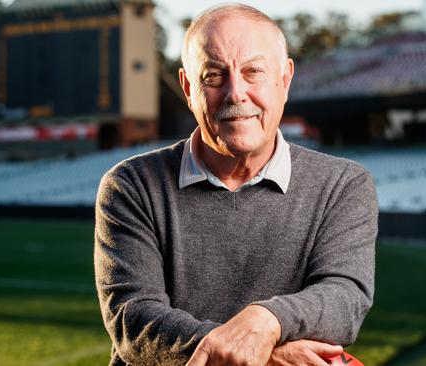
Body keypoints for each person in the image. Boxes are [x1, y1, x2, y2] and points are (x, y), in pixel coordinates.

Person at [94, 3, 378, 365]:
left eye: (253, 71)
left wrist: (266, 320)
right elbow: (134, 320)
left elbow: (344, 299)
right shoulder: (131, 185)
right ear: (187, 87)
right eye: (214, 75)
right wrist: (260, 356)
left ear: (285, 79)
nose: (235, 93)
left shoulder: (343, 185)